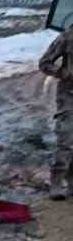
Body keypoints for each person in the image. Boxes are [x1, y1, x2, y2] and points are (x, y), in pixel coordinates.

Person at [38, 27, 73, 198]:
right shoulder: (68, 36)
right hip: (69, 95)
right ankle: (57, 183)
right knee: (66, 138)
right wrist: (63, 73)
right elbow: (44, 63)